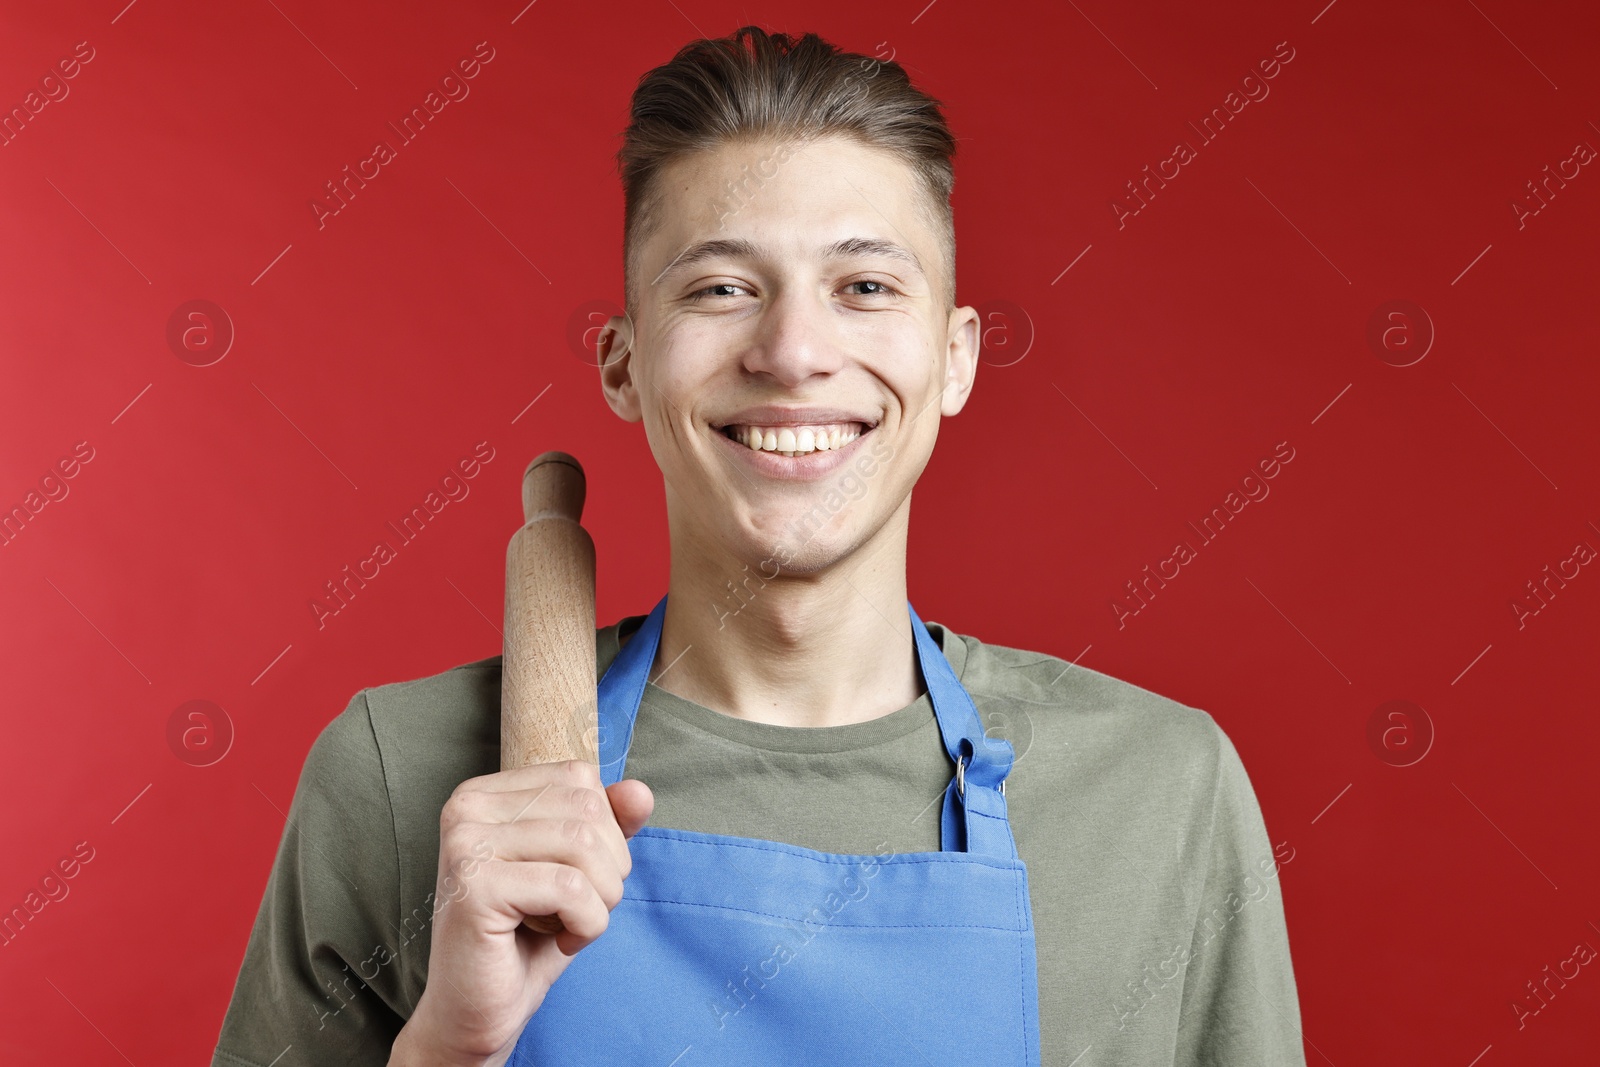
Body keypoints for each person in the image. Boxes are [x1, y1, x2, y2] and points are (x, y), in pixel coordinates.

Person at [213, 25, 1306, 1067]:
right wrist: (450, 1043)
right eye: (722, 288)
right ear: (624, 364)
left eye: (865, 287)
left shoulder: (1158, 795)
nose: (792, 351)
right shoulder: (405, 779)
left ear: (956, 358)